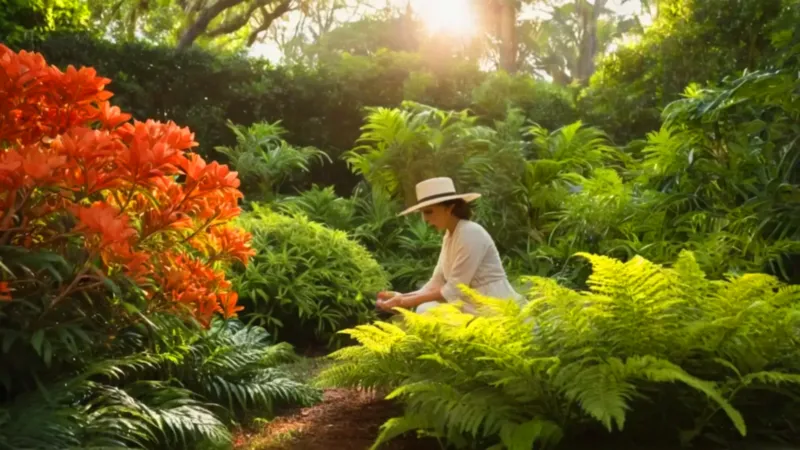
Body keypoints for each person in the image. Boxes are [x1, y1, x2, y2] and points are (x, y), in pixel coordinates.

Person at [376, 177, 522, 315]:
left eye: (429, 211)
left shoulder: (470, 232)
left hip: (493, 304)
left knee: (425, 310)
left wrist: (407, 302)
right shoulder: (450, 235)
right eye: (422, 213)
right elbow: (436, 282)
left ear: (449, 208)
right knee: (425, 309)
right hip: (470, 304)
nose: (425, 219)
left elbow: (455, 288)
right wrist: (402, 297)